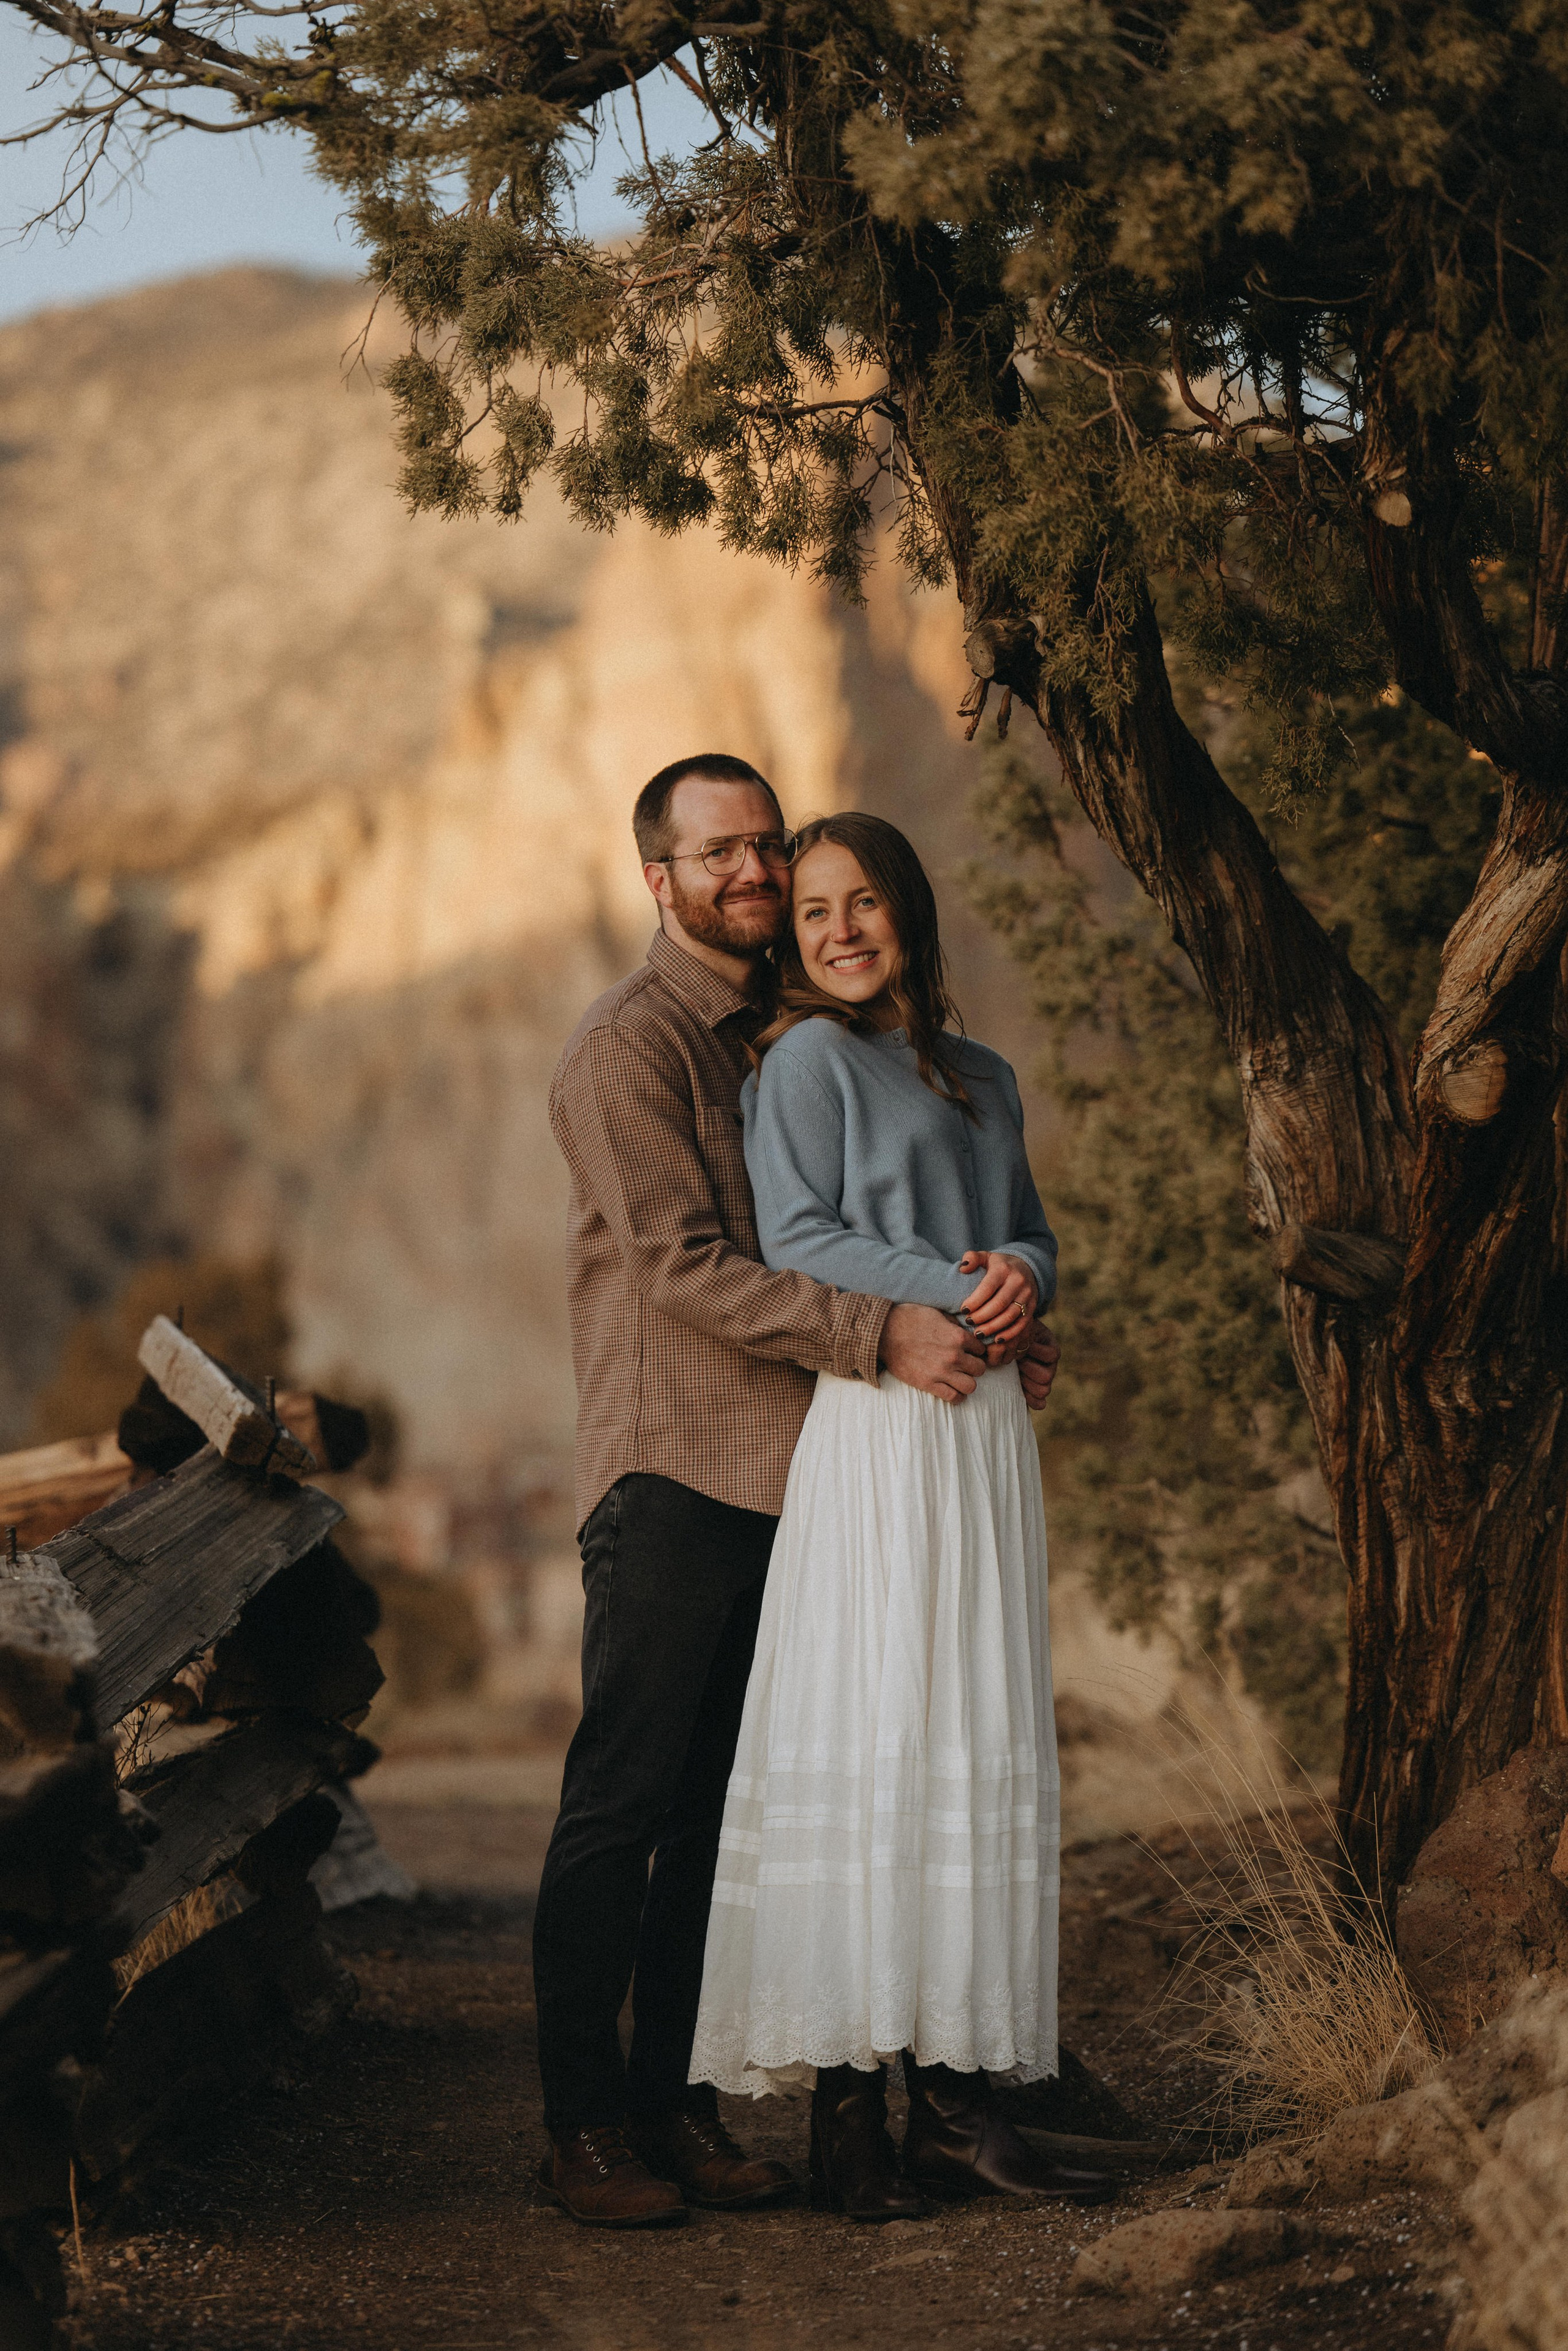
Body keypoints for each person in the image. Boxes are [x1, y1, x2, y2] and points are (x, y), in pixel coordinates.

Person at [536, 757, 1062, 2228]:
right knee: (623, 1799)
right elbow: (689, 1268)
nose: (754, 873)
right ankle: (581, 2122)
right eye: (724, 853)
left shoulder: (784, 1034)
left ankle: (677, 2108)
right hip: (671, 1465)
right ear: (659, 876)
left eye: (766, 843)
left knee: (725, 1804)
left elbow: (943, 1212)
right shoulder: (625, 1049)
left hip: (801, 1474)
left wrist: (996, 1312)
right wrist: (892, 1323)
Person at [687, 812, 1115, 2220]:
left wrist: (1021, 1280)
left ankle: (955, 2099)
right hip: (880, 1415)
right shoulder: (803, 1060)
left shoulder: (983, 1073)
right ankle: (846, 2113)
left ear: (907, 913)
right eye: (811, 912)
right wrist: (946, 1284)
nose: (837, 930)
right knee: (874, 1721)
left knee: (964, 1724)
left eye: (861, 902)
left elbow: (1031, 1225)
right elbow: (795, 1238)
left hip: (980, 1423)